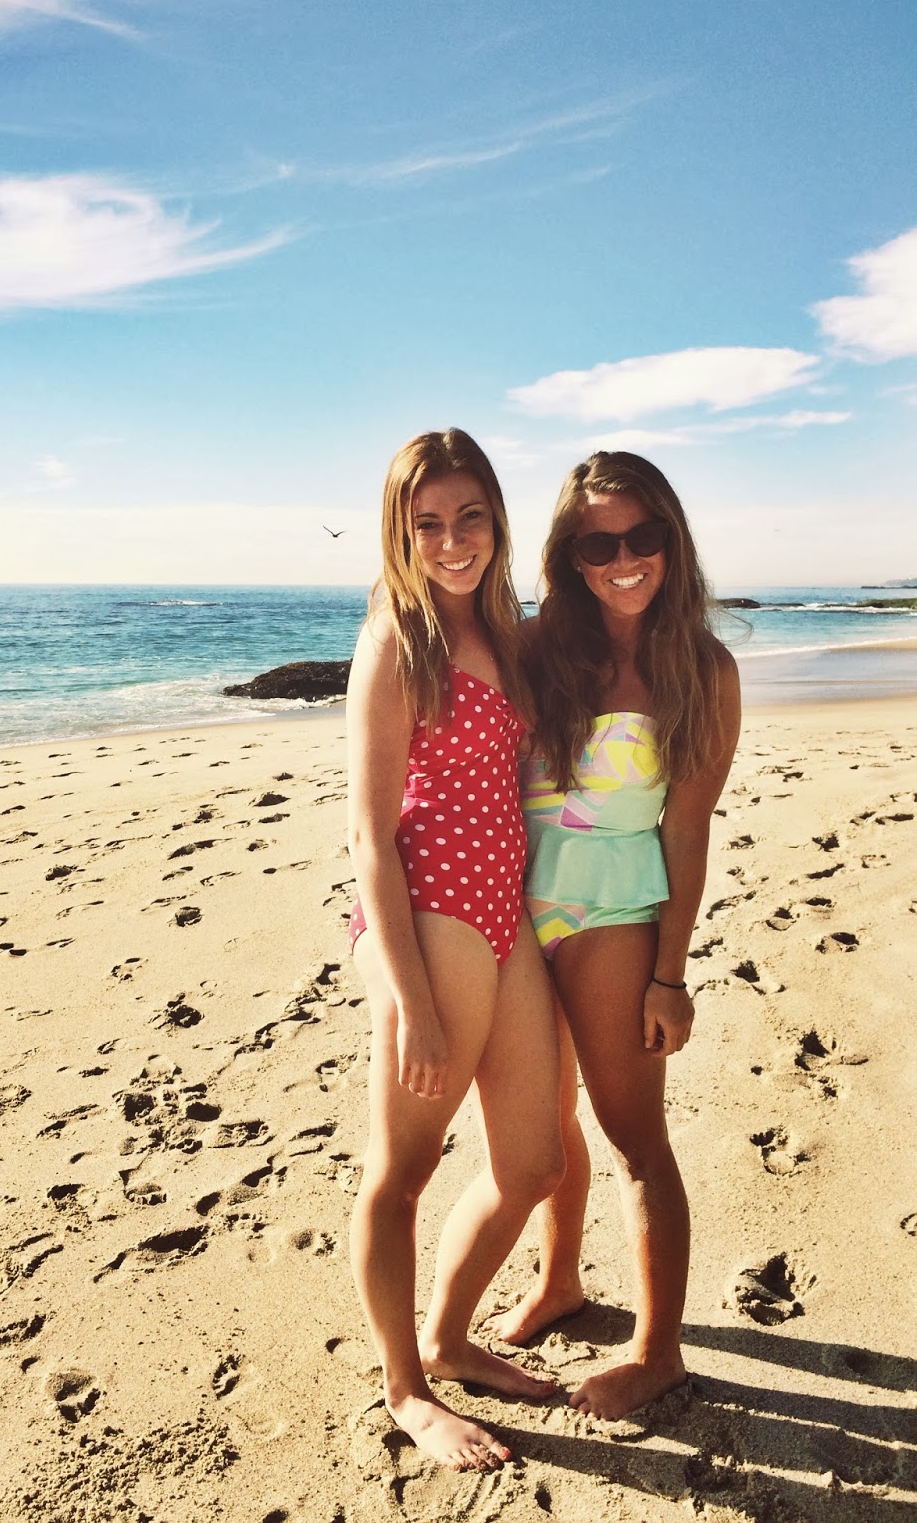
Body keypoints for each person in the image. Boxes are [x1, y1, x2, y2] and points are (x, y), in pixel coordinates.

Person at [490, 450, 741, 1420]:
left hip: (616, 914)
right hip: (519, 913)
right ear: (570, 556)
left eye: (644, 537)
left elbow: (688, 826)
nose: (624, 560)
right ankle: (559, 1281)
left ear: (672, 540)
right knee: (545, 1127)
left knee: (635, 1138)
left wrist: (670, 976)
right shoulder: (534, 648)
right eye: (599, 545)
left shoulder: (703, 670)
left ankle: (658, 1349)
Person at [346, 428, 564, 1472]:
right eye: (427, 523)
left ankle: (447, 1335)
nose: (451, 540)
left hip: (504, 908)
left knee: (531, 1162)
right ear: (401, 532)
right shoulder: (397, 640)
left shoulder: (509, 630)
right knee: (400, 1172)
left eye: (469, 516)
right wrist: (415, 1005)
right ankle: (407, 1388)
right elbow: (368, 837)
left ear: (496, 520)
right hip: (429, 912)